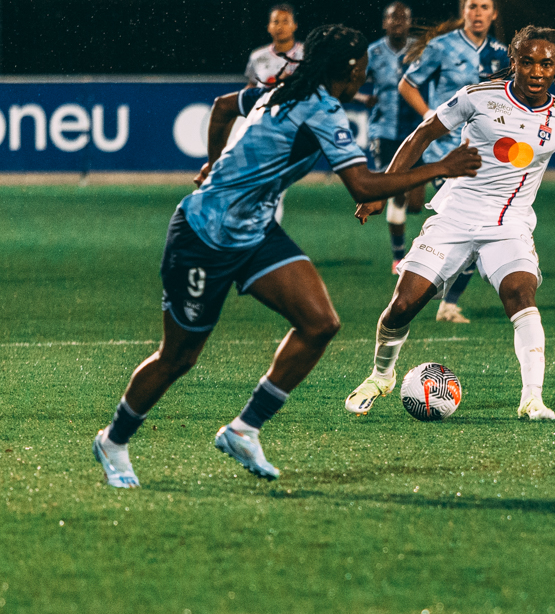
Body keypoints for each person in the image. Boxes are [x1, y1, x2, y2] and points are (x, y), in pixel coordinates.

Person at [92, 25, 481, 489]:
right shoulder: (319, 108)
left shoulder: (280, 89)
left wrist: (215, 162)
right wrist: (441, 167)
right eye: (360, 67)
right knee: (177, 358)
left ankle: (244, 429)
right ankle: (113, 441)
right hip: (202, 236)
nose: (365, 73)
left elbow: (220, 109)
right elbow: (361, 185)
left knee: (320, 323)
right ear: (347, 69)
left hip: (255, 233)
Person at [345, 25, 555, 422]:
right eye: (526, 62)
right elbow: (422, 135)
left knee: (521, 294)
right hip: (455, 216)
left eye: (546, 64)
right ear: (513, 62)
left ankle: (532, 398)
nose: (535, 71)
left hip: (509, 225)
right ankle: (381, 376)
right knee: (403, 306)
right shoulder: (479, 96)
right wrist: (381, 189)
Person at [398, 0, 511, 323]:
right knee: (469, 226)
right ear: (464, 10)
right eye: (471, 6)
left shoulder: (503, 54)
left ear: (493, 14)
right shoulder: (441, 47)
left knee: (481, 228)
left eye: (484, 7)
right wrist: (430, 118)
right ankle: (428, 284)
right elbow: (407, 84)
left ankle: (444, 298)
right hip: (447, 153)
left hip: (486, 156)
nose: (477, 12)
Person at [364, 1, 423, 274]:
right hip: (384, 132)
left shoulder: (421, 49)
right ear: (384, 23)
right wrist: (361, 97)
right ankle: (398, 257)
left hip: (417, 131)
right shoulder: (373, 52)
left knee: (415, 204)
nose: (398, 22)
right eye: (392, 18)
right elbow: (347, 82)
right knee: (395, 191)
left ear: (410, 22)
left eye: (403, 17)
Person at [245, 3, 304, 87]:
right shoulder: (257, 56)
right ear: (268, 27)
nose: (280, 26)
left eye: (285, 22)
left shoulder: (307, 54)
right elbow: (253, 85)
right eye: (276, 22)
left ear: (295, 25)